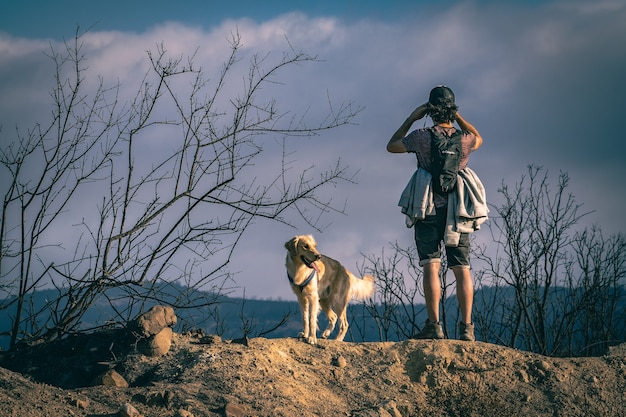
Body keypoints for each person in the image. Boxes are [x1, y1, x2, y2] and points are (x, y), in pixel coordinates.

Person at [386, 85, 485, 341]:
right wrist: (458, 117)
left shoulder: (421, 136)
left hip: (428, 207)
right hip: (457, 211)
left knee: (431, 266)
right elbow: (479, 137)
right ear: (452, 109)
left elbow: (392, 146)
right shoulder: (463, 140)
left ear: (429, 110)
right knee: (462, 268)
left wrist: (412, 117)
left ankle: (434, 325)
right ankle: (467, 328)